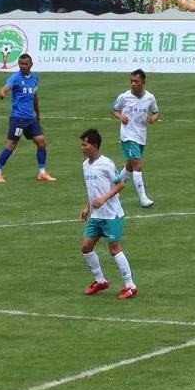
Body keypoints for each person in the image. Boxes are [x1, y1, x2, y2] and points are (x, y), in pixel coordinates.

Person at [78, 128, 137, 298]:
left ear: (94, 145)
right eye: (81, 145)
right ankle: (101, 281)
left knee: (114, 249)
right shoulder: (85, 165)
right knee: (86, 247)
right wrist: (87, 208)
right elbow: (91, 190)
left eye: (85, 145)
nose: (82, 148)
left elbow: (121, 184)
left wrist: (104, 198)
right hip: (96, 216)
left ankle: (130, 285)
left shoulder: (106, 164)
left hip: (112, 215)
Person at [0, 53, 54, 183]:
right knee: (11, 145)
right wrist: (3, 93)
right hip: (18, 119)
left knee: (41, 142)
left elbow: (34, 97)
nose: (23, 66)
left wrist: (38, 114)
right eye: (21, 64)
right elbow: (5, 88)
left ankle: (42, 173)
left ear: (31, 64)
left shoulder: (34, 78)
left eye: (25, 64)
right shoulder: (15, 77)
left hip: (31, 119)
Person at [111, 68, 158, 208]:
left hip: (141, 135)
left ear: (143, 82)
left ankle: (114, 187)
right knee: (137, 163)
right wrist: (121, 116)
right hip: (128, 135)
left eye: (136, 81)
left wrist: (152, 119)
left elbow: (156, 112)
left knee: (130, 166)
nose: (133, 84)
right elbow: (114, 109)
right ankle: (143, 199)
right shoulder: (124, 97)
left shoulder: (150, 97)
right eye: (131, 81)